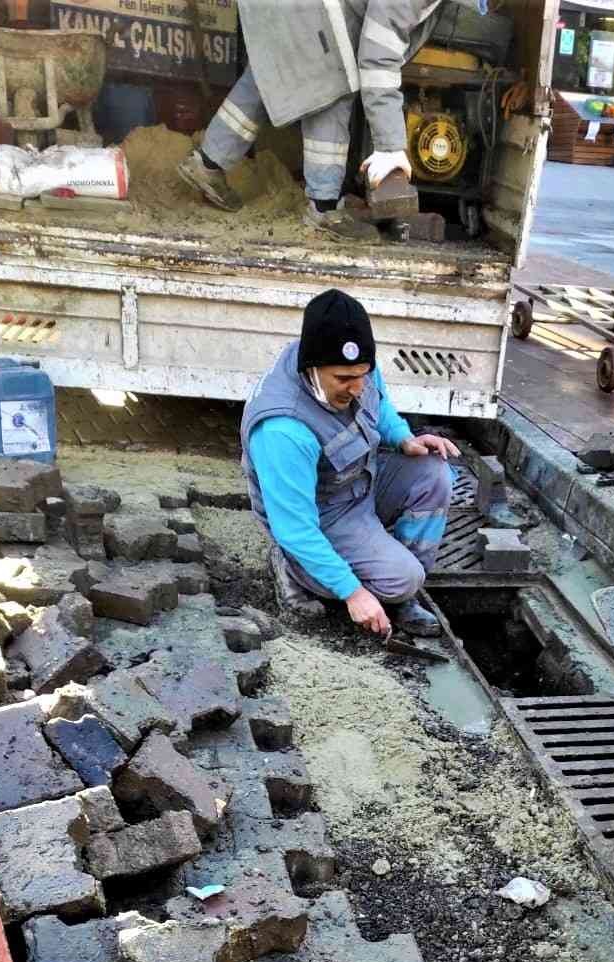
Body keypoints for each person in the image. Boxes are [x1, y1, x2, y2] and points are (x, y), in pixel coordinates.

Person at [241, 289, 459, 638]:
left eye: (362, 375)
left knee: (435, 472)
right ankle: (294, 567)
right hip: (325, 511)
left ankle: (398, 592)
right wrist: (354, 593)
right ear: (312, 369)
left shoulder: (355, 367)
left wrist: (404, 439)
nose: (357, 387)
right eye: (343, 379)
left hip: (360, 480)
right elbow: (296, 526)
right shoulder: (284, 430)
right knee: (403, 578)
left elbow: (380, 406)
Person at [177, 0, 450, 218]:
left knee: (267, 73)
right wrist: (390, 146)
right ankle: (324, 207)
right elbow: (377, 59)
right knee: (331, 89)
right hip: (313, 12)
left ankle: (207, 163)